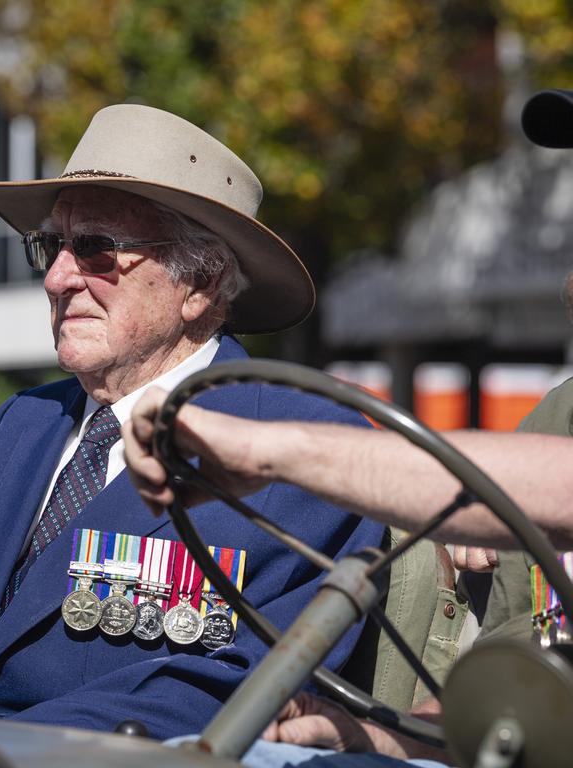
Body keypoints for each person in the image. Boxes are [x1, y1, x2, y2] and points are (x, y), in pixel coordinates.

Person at [0, 104, 384, 738]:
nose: (59, 277)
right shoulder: (24, 424)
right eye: (52, 246)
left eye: (95, 249)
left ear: (197, 284)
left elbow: (239, 694)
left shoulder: (302, 451)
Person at [123, 87, 573, 767]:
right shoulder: (559, 416)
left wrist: (273, 450)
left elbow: (550, 490)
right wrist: (353, 731)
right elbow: (508, 702)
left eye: (101, 249)